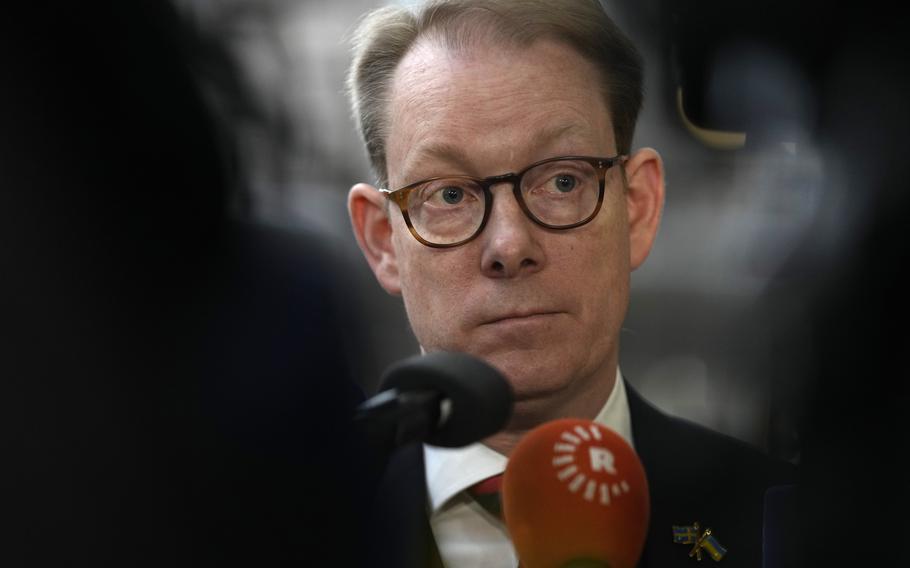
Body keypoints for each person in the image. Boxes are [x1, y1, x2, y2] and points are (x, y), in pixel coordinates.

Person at [344, 1, 794, 566]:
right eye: (450, 195)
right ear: (383, 241)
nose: (510, 246)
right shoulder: (286, 527)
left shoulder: (788, 523)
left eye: (562, 180)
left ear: (638, 208)